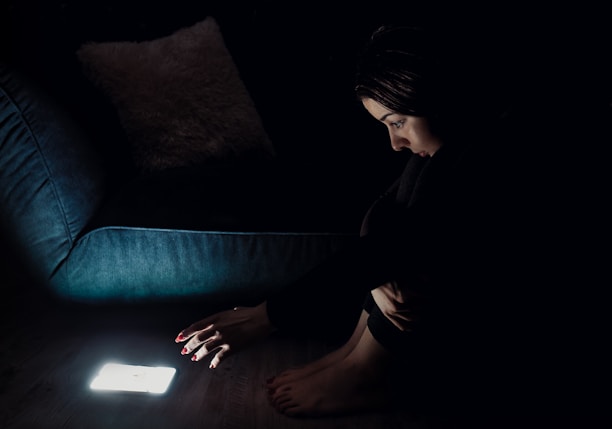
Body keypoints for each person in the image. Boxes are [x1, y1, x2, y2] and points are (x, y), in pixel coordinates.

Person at [175, 24, 513, 418]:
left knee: (403, 252)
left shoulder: (490, 156)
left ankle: (372, 371)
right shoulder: (457, 148)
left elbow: (397, 247)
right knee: (400, 211)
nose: (394, 143)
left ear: (435, 97)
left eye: (397, 121)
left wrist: (268, 315)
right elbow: (390, 228)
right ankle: (358, 352)